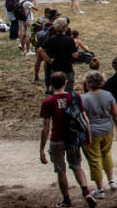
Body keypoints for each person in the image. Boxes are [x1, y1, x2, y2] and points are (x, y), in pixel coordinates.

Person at [39, 71, 99, 208]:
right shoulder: (75, 97)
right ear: (65, 83)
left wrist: (42, 149)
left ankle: (66, 200)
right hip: (73, 139)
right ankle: (85, 192)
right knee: (76, 165)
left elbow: (46, 129)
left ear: (51, 84)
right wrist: (88, 135)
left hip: (57, 139)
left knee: (61, 170)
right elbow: (85, 118)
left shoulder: (48, 102)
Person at [82, 70, 117, 200]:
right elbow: (116, 114)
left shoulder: (83, 98)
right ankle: (112, 180)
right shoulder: (108, 95)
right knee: (106, 153)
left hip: (92, 132)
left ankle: (100, 188)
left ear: (88, 83)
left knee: (94, 159)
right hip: (107, 129)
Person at [42, 18, 79, 93]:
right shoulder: (69, 40)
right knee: (68, 90)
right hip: (67, 67)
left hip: (55, 67)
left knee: (56, 89)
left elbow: (41, 50)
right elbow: (75, 55)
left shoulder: (52, 39)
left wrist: (48, 60)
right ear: (65, 28)